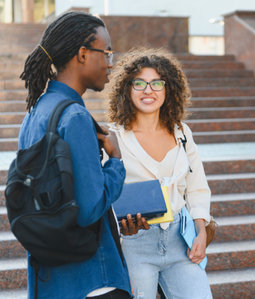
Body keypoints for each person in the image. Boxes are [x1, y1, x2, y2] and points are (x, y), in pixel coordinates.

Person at [19, 11, 132, 299]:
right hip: (94, 278)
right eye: (106, 52)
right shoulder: (75, 117)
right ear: (82, 54)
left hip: (51, 277)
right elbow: (89, 207)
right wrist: (116, 161)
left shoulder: (36, 112)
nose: (111, 63)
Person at [107, 48, 213, 299]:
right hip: (135, 244)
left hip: (180, 243)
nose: (148, 90)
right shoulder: (113, 137)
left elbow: (197, 188)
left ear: (168, 89)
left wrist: (201, 232)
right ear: (127, 89)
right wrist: (121, 226)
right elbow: (105, 193)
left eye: (156, 83)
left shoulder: (182, 132)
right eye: (140, 83)